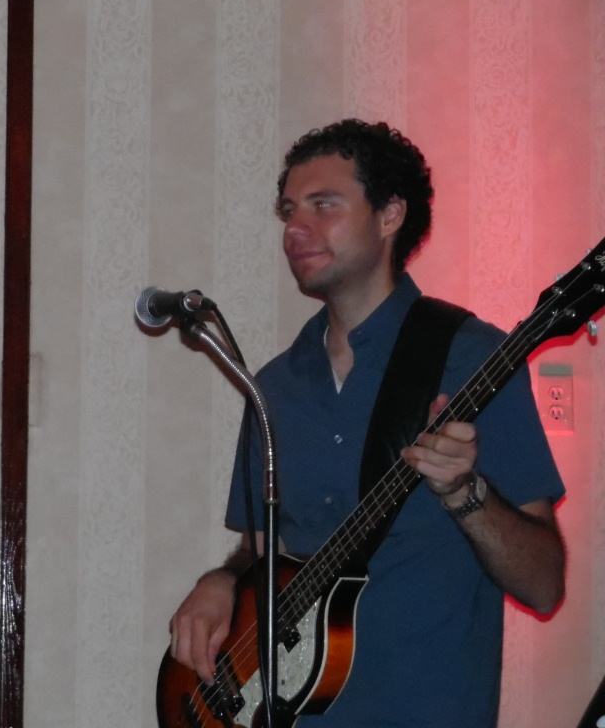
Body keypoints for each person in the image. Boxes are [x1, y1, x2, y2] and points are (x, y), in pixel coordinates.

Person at [167, 119, 565, 726]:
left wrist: (466, 494)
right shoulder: (271, 387)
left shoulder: (474, 357)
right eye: (289, 211)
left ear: (389, 215)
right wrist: (220, 582)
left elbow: (544, 584)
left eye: (323, 204)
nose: (295, 228)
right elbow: (259, 553)